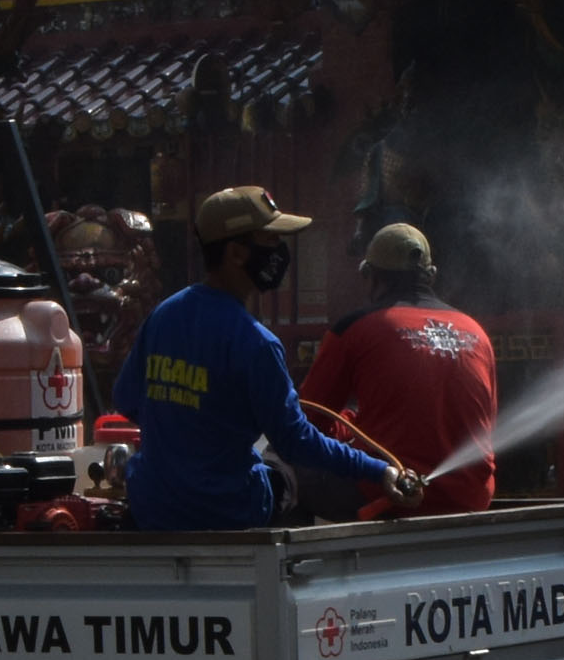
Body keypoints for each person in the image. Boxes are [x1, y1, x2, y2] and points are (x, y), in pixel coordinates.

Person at [120, 186, 414, 530]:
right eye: (271, 241)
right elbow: (296, 441)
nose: (281, 252)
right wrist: (378, 470)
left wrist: (187, 427)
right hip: (225, 510)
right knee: (287, 475)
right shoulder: (257, 342)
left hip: (152, 504)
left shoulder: (163, 316)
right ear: (235, 253)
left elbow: (126, 399)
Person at [297, 225, 498, 519]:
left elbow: (308, 421)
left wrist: (348, 422)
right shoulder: (476, 332)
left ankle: (295, 564)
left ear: (371, 276)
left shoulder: (355, 328)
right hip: (470, 497)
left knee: (287, 465)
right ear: (431, 275)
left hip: (390, 493)